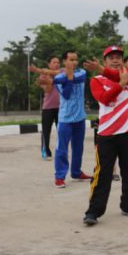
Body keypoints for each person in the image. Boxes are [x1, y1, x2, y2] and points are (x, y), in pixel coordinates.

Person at [82, 46, 128, 226]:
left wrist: (120, 79)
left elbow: (119, 76)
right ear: (105, 61)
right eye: (111, 58)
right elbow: (105, 99)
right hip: (107, 134)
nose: (115, 60)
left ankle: (127, 204)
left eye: (118, 57)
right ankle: (93, 210)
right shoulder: (96, 80)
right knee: (102, 173)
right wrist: (120, 85)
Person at [33, 50, 93, 188]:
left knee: (78, 147)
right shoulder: (59, 79)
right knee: (62, 148)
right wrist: (66, 79)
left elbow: (76, 79)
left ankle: (76, 172)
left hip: (80, 118)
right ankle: (59, 176)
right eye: (71, 60)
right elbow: (66, 94)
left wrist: (58, 80)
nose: (74, 62)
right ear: (65, 62)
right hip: (65, 119)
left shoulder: (81, 72)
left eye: (75, 59)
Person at [35, 56, 60, 160]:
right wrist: (49, 77)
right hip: (48, 108)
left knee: (62, 131)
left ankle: (61, 151)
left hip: (61, 108)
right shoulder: (43, 76)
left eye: (58, 62)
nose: (57, 64)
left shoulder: (61, 74)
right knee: (46, 130)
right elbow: (48, 90)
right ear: (49, 64)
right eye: (54, 62)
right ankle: (46, 151)